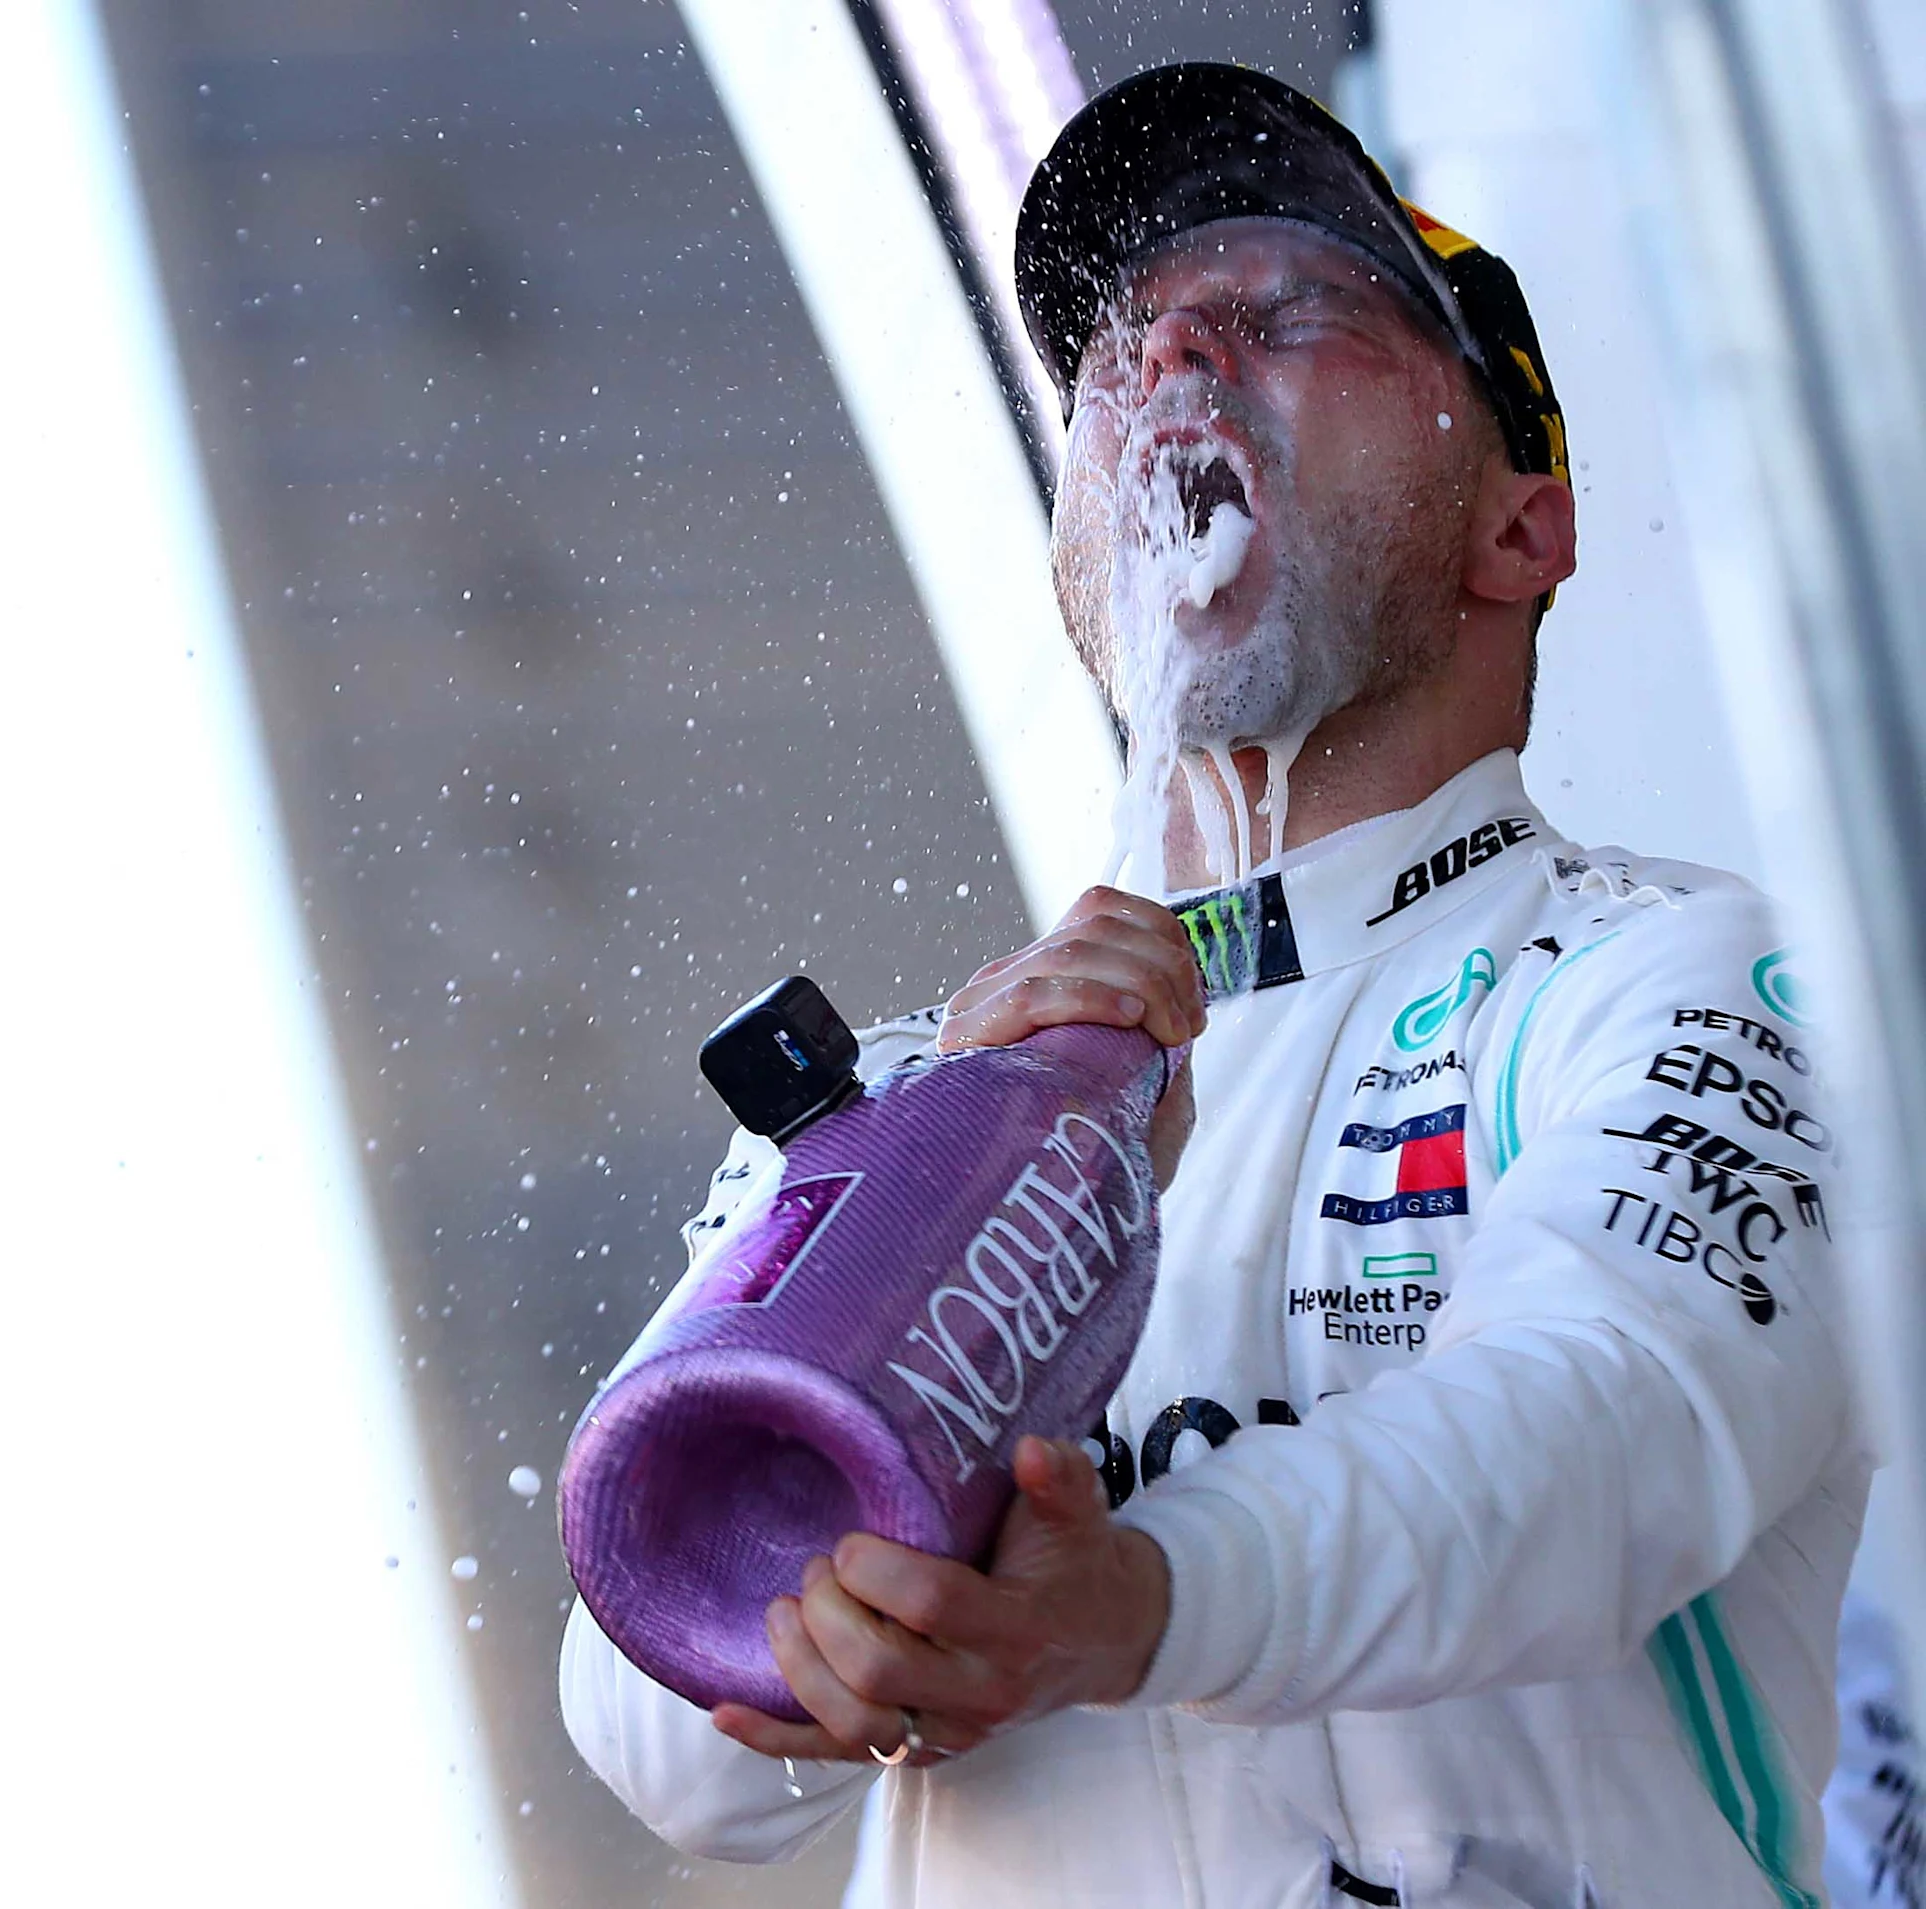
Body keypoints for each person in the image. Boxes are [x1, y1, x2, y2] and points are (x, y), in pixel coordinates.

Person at [558, 63, 1867, 1905]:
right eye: (1121, 348)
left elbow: (1617, 1427)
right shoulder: (903, 1097)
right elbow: (656, 1746)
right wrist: (947, 1189)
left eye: (1292, 311)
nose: (1170, 358)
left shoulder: (1687, 974)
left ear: (1521, 525)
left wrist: (1143, 1605)